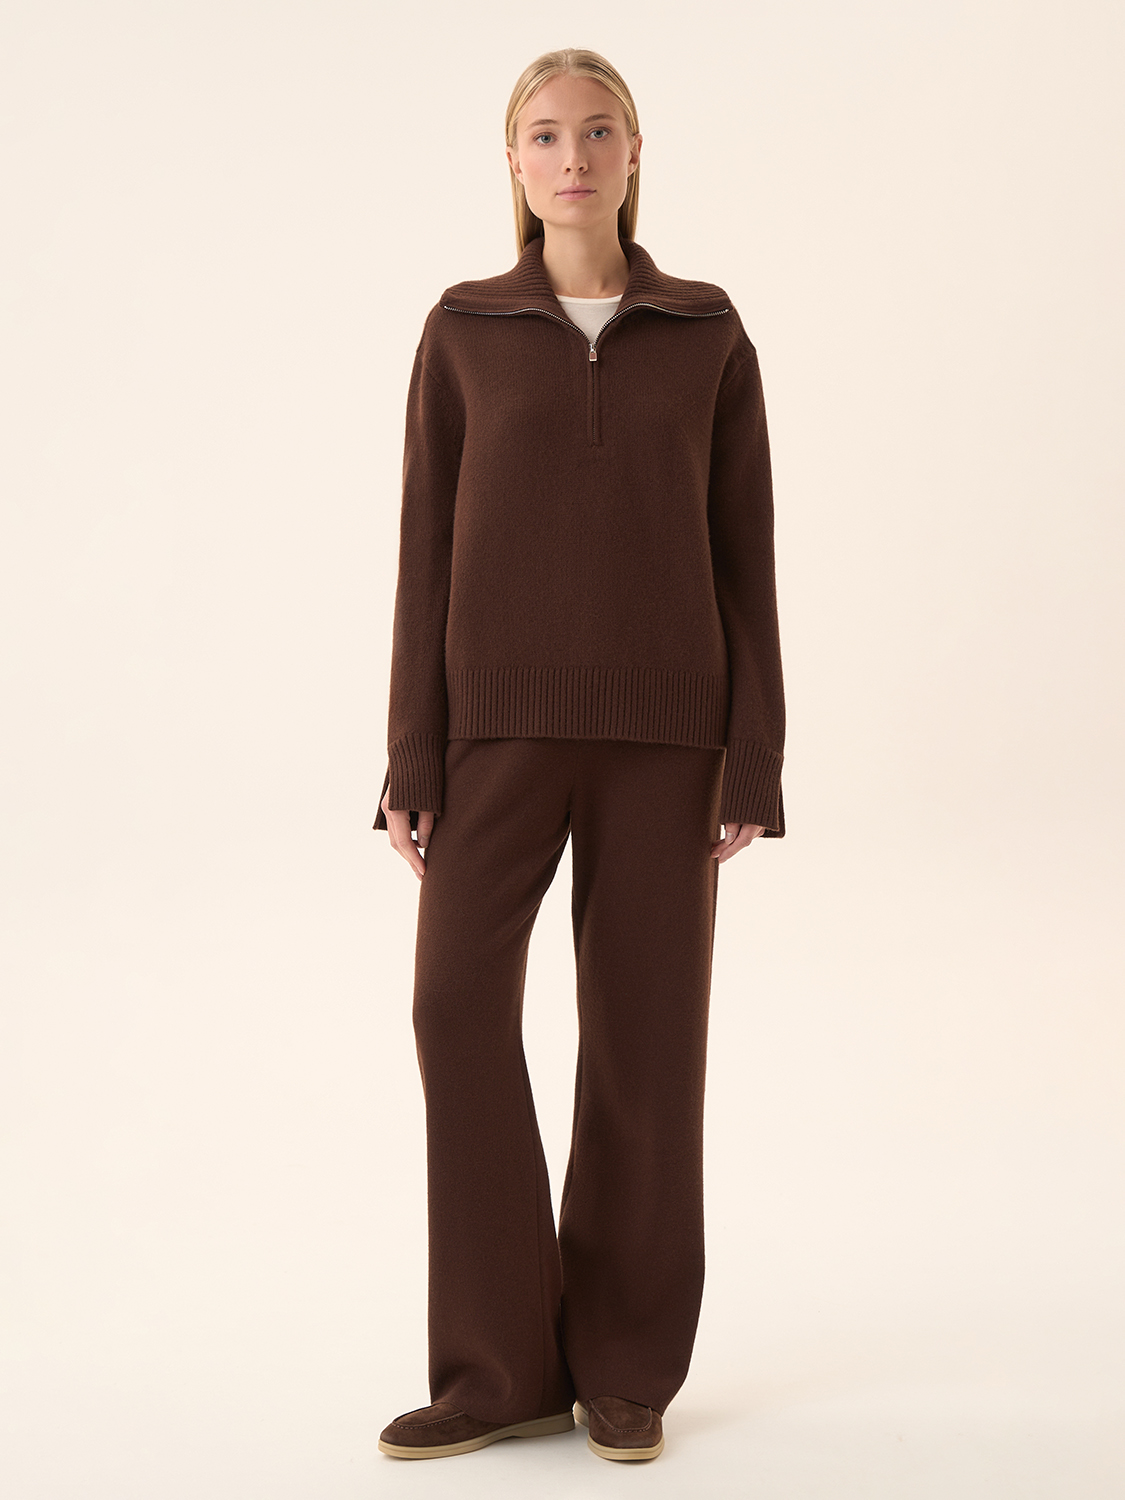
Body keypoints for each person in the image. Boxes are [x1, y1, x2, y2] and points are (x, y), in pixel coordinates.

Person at [372, 46, 786, 1463]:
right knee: (452, 1007)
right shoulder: (464, 329)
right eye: (544, 135)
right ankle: (497, 1371)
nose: (572, 156)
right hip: (493, 733)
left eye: (597, 131)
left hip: (669, 738)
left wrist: (753, 753)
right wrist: (412, 751)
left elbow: (745, 554)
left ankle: (623, 1367)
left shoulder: (706, 331)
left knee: (644, 1046)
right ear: (512, 161)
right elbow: (424, 549)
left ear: (634, 152)